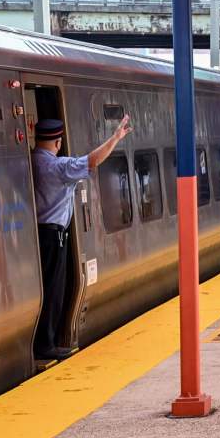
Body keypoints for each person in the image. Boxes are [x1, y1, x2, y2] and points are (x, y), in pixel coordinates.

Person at [32, 115, 132, 360]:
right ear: (58, 142)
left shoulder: (31, 161)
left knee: (47, 288)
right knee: (54, 290)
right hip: (53, 236)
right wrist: (116, 137)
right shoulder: (58, 167)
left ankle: (46, 340)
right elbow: (92, 161)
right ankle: (47, 344)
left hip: (38, 234)